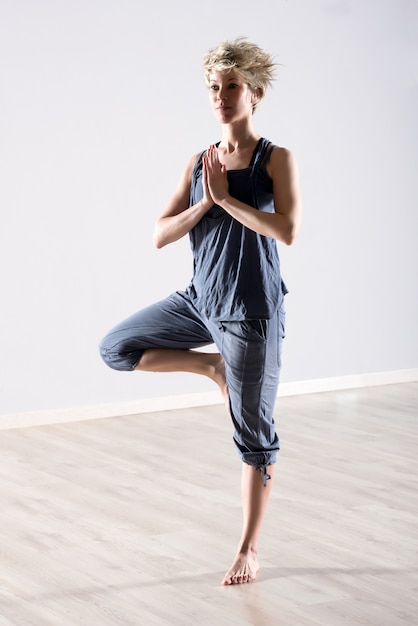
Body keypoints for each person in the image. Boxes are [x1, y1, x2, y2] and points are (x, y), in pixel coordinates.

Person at [99, 37, 302, 585]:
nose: (220, 96)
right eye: (214, 87)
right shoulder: (198, 162)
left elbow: (286, 230)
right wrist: (207, 200)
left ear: (254, 94)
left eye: (231, 86)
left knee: (253, 436)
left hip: (250, 313)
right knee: (116, 348)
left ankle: (248, 550)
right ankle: (211, 367)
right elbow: (160, 234)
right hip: (198, 301)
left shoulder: (274, 159)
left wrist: (231, 200)